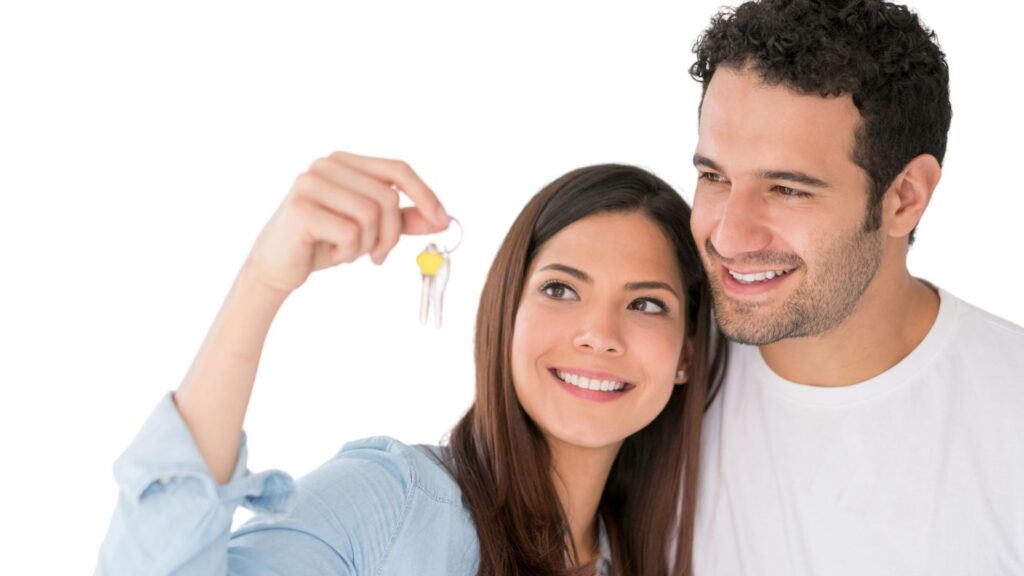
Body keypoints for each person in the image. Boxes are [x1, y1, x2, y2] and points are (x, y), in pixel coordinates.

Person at [94, 153, 726, 575]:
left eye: (646, 304)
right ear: (504, 313)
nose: (599, 335)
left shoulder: (649, 555)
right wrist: (263, 282)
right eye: (561, 289)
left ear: (686, 355)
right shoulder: (396, 502)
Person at [686, 0, 1024, 574]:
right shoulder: (650, 384)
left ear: (905, 197)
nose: (729, 235)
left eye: (787, 189)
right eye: (714, 176)